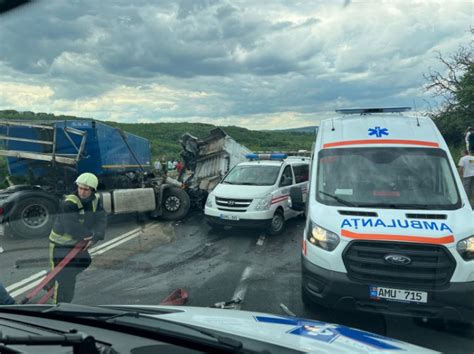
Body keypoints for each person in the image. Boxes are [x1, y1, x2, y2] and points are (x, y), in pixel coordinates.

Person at [49, 172, 107, 303]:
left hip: (77, 242)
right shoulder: (68, 203)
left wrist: (96, 237)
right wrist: (89, 236)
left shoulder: (95, 200)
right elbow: (70, 226)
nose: (82, 192)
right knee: (65, 281)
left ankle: (52, 278)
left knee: (85, 261)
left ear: (92, 190)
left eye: (86, 189)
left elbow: (101, 218)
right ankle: (59, 309)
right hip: (60, 245)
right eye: (80, 188)